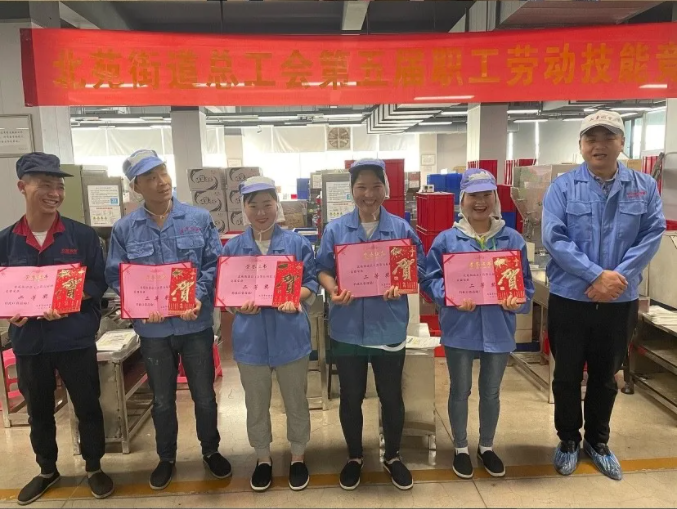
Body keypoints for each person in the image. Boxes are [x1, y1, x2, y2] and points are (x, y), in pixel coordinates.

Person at [542, 110, 665, 480]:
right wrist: (595, 275)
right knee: (566, 375)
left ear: (621, 142)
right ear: (581, 145)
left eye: (608, 137)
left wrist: (616, 278)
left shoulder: (644, 186)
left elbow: (652, 233)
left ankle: (597, 442)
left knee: (606, 375)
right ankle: (567, 440)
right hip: (571, 297)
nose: (599, 145)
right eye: (591, 138)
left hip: (619, 300)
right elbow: (554, 237)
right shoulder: (563, 188)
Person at [105, 150, 230, 489]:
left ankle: (211, 450)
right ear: (136, 187)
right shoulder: (125, 229)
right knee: (161, 399)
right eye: (150, 177)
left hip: (194, 324)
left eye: (162, 172)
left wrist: (197, 295)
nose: (161, 182)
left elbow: (213, 264)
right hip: (154, 330)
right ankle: (166, 457)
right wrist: (140, 304)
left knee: (204, 395)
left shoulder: (198, 218)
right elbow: (116, 274)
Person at [0, 153, 113, 505]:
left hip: (74, 337)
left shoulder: (81, 236)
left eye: (59, 186)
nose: (54, 193)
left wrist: (70, 298)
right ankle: (47, 470)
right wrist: (11, 312)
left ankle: (94, 467)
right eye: (45, 184)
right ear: (22, 186)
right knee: (38, 411)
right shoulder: (6, 241)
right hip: (29, 341)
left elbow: (99, 281)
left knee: (87, 405)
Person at [316, 159, 425, 491]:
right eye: (361, 187)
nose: (368, 194)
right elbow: (322, 269)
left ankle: (392, 456)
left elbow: (417, 269)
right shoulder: (336, 230)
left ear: (385, 189)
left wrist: (402, 285)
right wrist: (333, 289)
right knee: (351, 396)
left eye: (376, 186)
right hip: (348, 328)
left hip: (388, 326)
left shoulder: (401, 230)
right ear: (351, 190)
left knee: (390, 395)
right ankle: (354, 457)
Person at [422, 168, 534, 480]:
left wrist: (517, 301)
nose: (480, 201)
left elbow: (524, 284)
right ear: (463, 200)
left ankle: (486, 446)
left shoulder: (511, 239)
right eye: (474, 195)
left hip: (498, 327)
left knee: (491, 391)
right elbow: (429, 280)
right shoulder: (447, 240)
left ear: (495, 198)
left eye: (486, 194)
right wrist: (451, 296)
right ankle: (460, 448)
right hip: (460, 327)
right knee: (460, 389)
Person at [222, 176, 318, 493]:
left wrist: (296, 296)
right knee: (256, 404)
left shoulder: (296, 245)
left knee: (296, 401)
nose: (261, 212)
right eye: (254, 206)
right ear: (244, 209)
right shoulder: (234, 248)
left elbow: (312, 283)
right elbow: (228, 294)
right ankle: (263, 458)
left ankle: (298, 456)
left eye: (267, 204)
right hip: (251, 341)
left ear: (277, 205)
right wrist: (238, 306)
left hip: (290, 336)